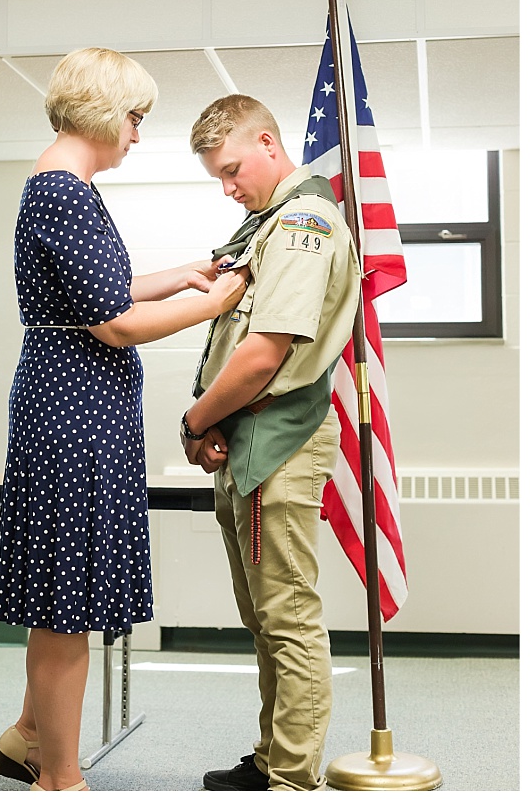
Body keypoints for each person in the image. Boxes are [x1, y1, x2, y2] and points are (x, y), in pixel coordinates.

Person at [0, 48, 247, 792]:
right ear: (104, 112)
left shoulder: (68, 188)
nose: (138, 135)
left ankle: (30, 735)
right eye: (136, 118)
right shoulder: (61, 191)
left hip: (77, 402)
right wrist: (219, 300)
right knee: (66, 604)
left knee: (65, 593)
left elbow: (103, 289)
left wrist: (186, 274)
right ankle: (58, 779)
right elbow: (116, 324)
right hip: (72, 406)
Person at [182, 94, 362, 791]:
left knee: (287, 618)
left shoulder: (302, 223)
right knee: (264, 619)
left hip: (279, 438)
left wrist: (197, 421)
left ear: (266, 142)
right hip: (249, 438)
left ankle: (292, 780)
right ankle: (270, 761)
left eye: (232, 171)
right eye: (218, 179)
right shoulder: (264, 225)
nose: (229, 190)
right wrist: (210, 421)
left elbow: (262, 356)